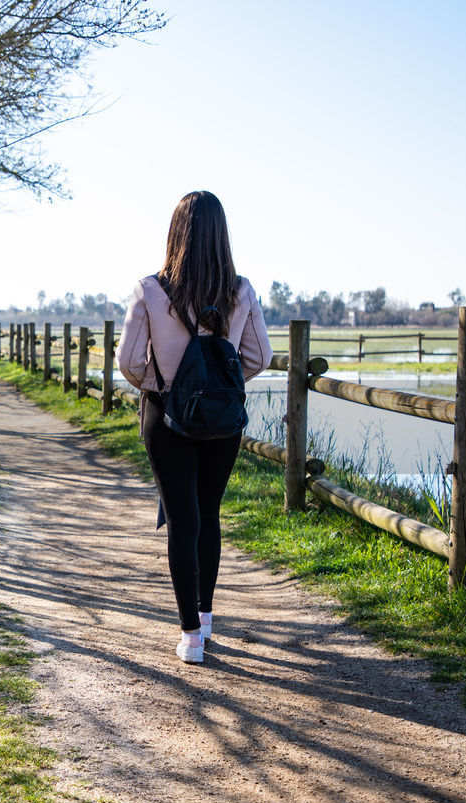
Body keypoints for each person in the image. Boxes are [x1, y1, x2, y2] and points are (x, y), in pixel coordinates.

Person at [117, 191, 271, 664]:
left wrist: (165, 386)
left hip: (165, 418)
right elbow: (259, 357)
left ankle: (190, 638)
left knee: (183, 521)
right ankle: (205, 616)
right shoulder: (240, 290)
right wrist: (221, 386)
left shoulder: (151, 289)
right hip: (222, 422)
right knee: (209, 514)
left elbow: (127, 362)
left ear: (175, 232)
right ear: (221, 235)